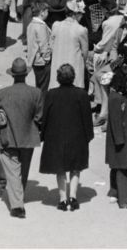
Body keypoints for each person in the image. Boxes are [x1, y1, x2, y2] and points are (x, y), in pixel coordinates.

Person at [0, 57, 43, 219]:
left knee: (13, 172)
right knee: (23, 170)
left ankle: (17, 205)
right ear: (26, 75)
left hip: (8, 136)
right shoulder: (36, 93)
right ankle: (19, 200)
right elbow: (39, 117)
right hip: (28, 137)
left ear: (12, 75)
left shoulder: (2, 93)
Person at [39, 62, 93, 211]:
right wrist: (89, 135)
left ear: (58, 78)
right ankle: (73, 197)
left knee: (60, 168)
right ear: (73, 77)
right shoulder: (82, 94)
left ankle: (63, 199)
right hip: (77, 136)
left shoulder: (51, 94)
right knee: (76, 168)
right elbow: (87, 117)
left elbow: (46, 116)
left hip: (56, 136)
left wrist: (43, 135)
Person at [105, 66, 127, 209]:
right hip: (121, 138)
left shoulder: (123, 94)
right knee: (123, 167)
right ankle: (125, 199)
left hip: (125, 136)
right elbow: (116, 121)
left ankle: (114, 191)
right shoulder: (116, 98)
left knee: (117, 165)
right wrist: (120, 140)